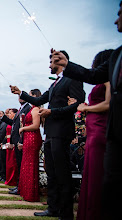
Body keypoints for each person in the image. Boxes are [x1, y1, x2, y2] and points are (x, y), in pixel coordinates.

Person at [10, 50, 85, 219]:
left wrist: (52, 111)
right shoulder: (54, 84)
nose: (49, 65)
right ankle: (52, 208)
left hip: (62, 131)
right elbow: (38, 100)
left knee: (62, 173)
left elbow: (77, 104)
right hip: (50, 133)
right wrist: (20, 93)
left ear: (59, 61)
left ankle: (65, 214)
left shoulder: (72, 79)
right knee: (51, 172)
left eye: (51, 61)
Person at [53, 44, 120, 219]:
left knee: (98, 176)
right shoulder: (102, 77)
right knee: (91, 176)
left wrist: (86, 108)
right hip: (93, 131)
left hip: (100, 130)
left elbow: (108, 103)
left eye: (95, 63)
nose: (93, 67)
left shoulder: (108, 77)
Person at [0, 98, 31, 195]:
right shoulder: (21, 109)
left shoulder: (27, 108)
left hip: (20, 140)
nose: (20, 98)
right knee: (18, 164)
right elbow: (14, 124)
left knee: (19, 164)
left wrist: (20, 141)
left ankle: (20, 186)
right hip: (16, 140)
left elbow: (20, 125)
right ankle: (18, 185)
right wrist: (3, 117)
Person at [18, 89, 43, 202]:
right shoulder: (32, 109)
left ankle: (30, 193)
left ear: (34, 96)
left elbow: (36, 125)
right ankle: (24, 190)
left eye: (30, 94)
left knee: (30, 165)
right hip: (28, 138)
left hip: (32, 138)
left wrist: (23, 128)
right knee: (26, 164)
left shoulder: (36, 109)